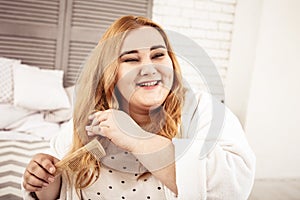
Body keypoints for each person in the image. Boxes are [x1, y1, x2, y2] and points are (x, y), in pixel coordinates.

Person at [22, 15, 256, 200]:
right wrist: (45, 181)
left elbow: (235, 186)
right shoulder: (89, 125)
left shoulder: (203, 110)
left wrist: (137, 138)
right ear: (110, 72)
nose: (149, 68)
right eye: (131, 59)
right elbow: (64, 187)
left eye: (158, 55)